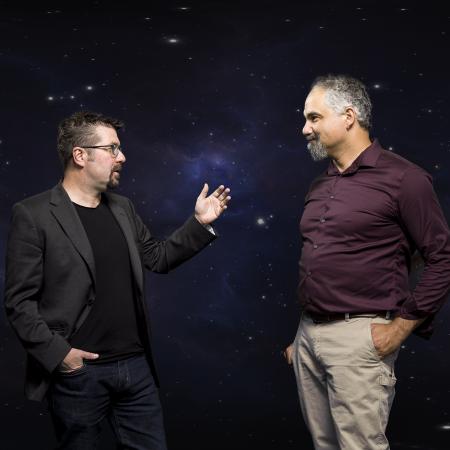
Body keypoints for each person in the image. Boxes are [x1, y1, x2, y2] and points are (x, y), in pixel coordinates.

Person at [4, 111, 231, 449]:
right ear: (80, 155)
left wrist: (199, 224)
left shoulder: (122, 207)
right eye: (112, 148)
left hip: (136, 368)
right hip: (79, 375)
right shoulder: (33, 214)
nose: (122, 157)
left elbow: (158, 257)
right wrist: (61, 355)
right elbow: (19, 302)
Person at [284, 74, 450, 449]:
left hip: (361, 340)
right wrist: (305, 337)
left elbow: (443, 259)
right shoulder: (320, 185)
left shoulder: (405, 179)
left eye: (314, 118)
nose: (304, 128)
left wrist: (400, 328)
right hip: (309, 337)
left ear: (348, 116)